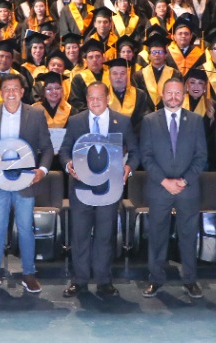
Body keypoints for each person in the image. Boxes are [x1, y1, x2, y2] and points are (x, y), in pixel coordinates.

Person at [0, 74, 54, 294]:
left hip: (26, 180)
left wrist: (43, 170)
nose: (10, 93)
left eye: (15, 89)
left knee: (26, 228)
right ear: (0, 92)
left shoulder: (36, 114)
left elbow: (47, 148)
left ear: (22, 92)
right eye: (6, 89)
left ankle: (29, 273)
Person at [60, 81, 135, 297]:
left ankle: (104, 281)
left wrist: (129, 168)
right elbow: (65, 150)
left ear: (108, 98)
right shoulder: (75, 121)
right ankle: (79, 280)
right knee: (80, 235)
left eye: (98, 97)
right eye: (90, 98)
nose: (94, 102)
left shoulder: (122, 122)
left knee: (105, 235)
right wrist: (68, 164)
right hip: (80, 188)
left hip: (109, 189)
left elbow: (136, 151)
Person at [138, 77, 207, 299]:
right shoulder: (149, 121)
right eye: (169, 93)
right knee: (157, 235)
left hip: (188, 188)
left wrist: (185, 180)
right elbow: (146, 156)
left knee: (188, 235)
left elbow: (201, 156)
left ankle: (190, 280)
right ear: (162, 94)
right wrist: (165, 181)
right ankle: (155, 278)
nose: (174, 97)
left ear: (184, 95)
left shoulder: (196, 120)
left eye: (178, 93)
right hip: (160, 188)